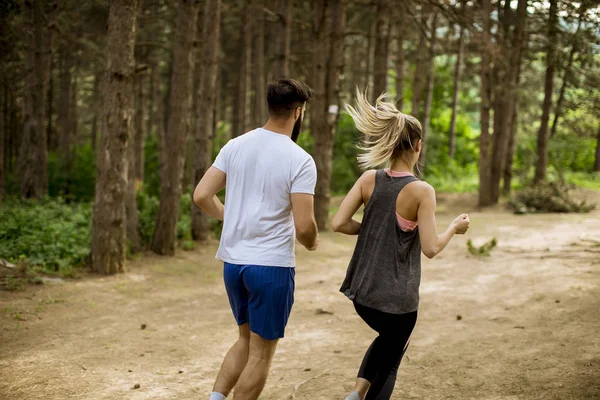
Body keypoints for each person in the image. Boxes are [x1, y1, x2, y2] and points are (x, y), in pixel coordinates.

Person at [331, 89, 470, 400]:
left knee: (388, 339)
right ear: (418, 146)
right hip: (398, 301)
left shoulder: (368, 179)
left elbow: (338, 223)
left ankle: (356, 394)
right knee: (392, 356)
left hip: (362, 294)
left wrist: (371, 229)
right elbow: (431, 248)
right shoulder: (422, 191)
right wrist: (453, 228)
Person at [193, 79, 319, 400]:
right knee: (261, 354)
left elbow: (202, 195)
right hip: (271, 267)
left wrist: (231, 216)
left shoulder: (235, 145)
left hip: (233, 264)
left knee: (244, 341)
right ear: (298, 112)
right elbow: (305, 227)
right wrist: (312, 242)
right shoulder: (300, 159)